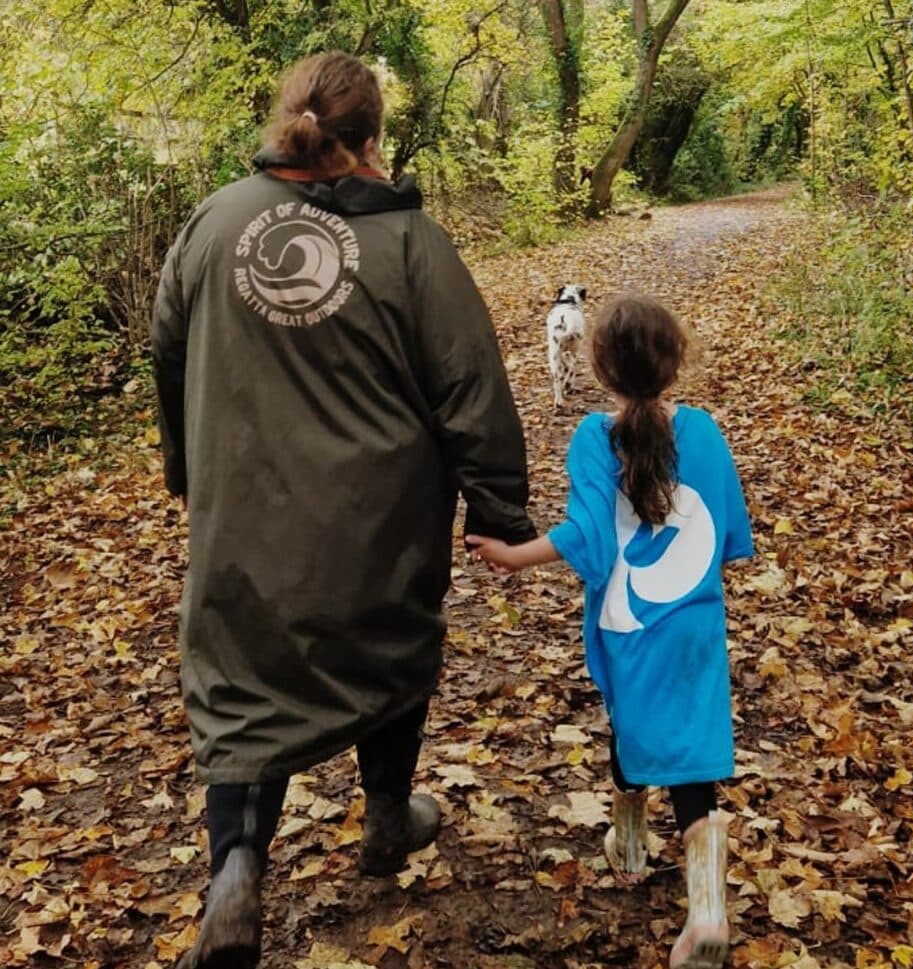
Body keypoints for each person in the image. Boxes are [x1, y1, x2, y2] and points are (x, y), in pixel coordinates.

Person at [151, 51, 535, 968]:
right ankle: (390, 818)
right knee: (389, 654)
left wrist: (187, 469)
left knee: (243, 683)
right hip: (379, 523)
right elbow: (470, 382)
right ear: (369, 141)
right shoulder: (411, 242)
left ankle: (238, 869)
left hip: (242, 524)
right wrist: (499, 506)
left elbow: (167, 348)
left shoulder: (213, 222)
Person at [468, 295, 753, 969]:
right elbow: (729, 534)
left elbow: (591, 541)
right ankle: (687, 888)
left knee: (632, 722)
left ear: (600, 368)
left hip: (630, 622)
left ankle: (642, 856)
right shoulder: (706, 431)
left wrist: (516, 554)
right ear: (676, 360)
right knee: (690, 749)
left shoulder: (595, 437)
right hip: (695, 622)